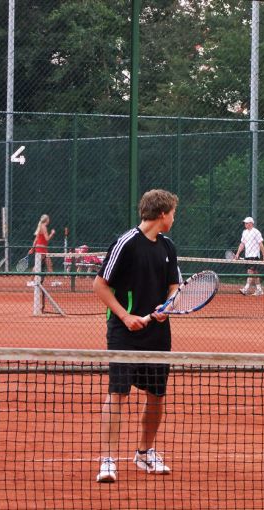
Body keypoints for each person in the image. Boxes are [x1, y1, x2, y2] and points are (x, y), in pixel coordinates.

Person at [93, 189, 181, 483]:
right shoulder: (126, 243)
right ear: (162, 214)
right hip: (123, 333)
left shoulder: (168, 247)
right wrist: (125, 316)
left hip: (157, 333)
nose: (173, 219)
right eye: (173, 213)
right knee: (118, 393)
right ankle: (108, 460)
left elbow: (174, 286)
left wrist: (167, 306)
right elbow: (100, 285)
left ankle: (144, 453)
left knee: (156, 395)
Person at [234, 216, 264, 296]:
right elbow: (242, 244)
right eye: (245, 223)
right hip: (247, 255)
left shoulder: (256, 232)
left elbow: (260, 244)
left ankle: (246, 289)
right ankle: (259, 290)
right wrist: (237, 254)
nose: (245, 224)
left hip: (255, 255)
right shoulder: (244, 232)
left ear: (251, 224)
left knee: (250, 271)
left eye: (247, 223)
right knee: (255, 273)